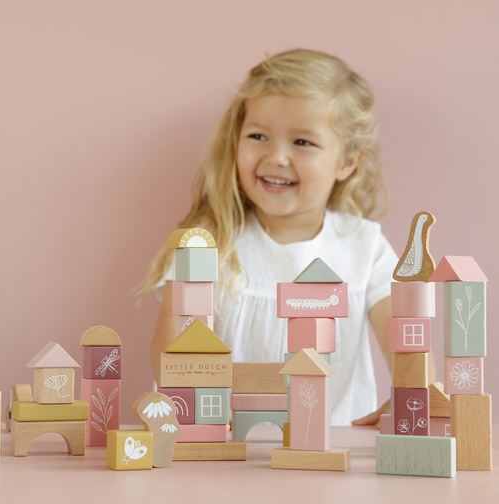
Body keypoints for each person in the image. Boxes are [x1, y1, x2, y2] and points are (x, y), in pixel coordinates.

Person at [141, 49, 436, 426]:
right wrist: (193, 405)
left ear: (347, 161)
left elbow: (405, 338)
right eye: (258, 136)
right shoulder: (207, 243)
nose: (276, 157)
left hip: (333, 447)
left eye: (302, 142)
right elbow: (171, 341)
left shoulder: (365, 247)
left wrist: (414, 395)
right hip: (225, 445)